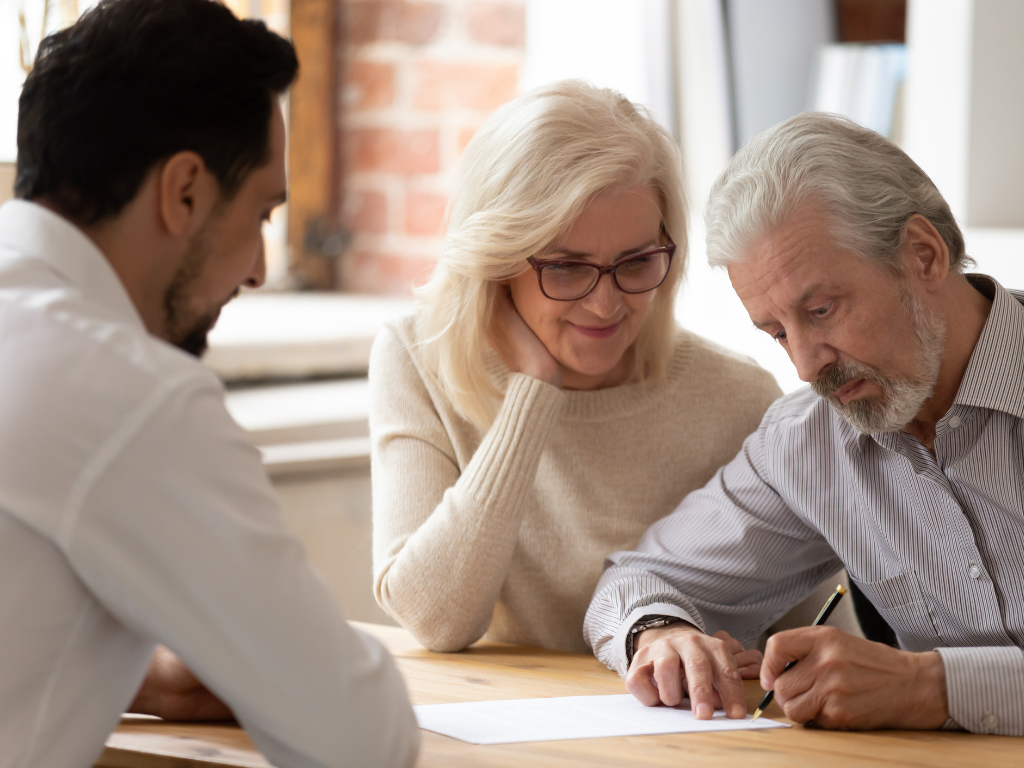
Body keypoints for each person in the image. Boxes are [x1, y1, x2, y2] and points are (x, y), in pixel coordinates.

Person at [0, 1, 418, 766]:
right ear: (185, 191)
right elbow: (363, 741)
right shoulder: (130, 395)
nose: (260, 267)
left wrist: (132, 678)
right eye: (260, 212)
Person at [369, 81, 855, 658]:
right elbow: (434, 620)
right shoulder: (418, 359)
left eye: (636, 262)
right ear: (496, 264)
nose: (606, 304)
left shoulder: (737, 396)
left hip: (682, 734)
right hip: (499, 730)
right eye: (568, 269)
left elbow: (812, 636)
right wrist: (533, 393)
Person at [584, 112, 1024, 735]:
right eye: (777, 332)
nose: (805, 364)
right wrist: (662, 635)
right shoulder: (809, 440)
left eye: (821, 310)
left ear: (924, 255)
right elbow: (635, 581)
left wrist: (933, 686)